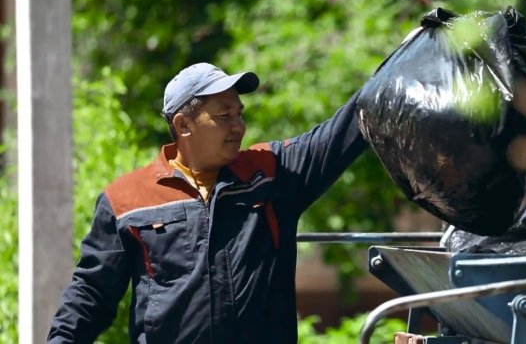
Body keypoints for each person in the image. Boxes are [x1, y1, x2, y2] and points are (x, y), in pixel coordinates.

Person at [48, 62, 368, 343]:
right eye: (224, 115)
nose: (238, 126)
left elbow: (346, 128)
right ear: (183, 125)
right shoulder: (125, 200)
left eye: (239, 113)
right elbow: (91, 294)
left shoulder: (272, 173)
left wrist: (413, 46)